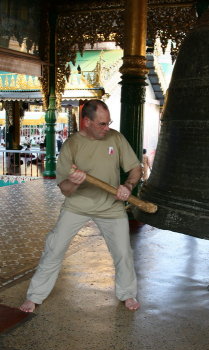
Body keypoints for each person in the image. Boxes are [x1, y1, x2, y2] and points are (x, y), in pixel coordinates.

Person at [20, 99, 142, 313]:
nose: (107, 128)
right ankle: (35, 296)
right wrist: (74, 182)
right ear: (86, 122)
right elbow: (65, 190)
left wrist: (128, 186)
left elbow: (135, 168)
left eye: (108, 122)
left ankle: (128, 293)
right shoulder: (71, 147)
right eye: (102, 124)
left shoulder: (116, 137)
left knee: (123, 253)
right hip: (76, 206)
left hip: (111, 206)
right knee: (54, 248)